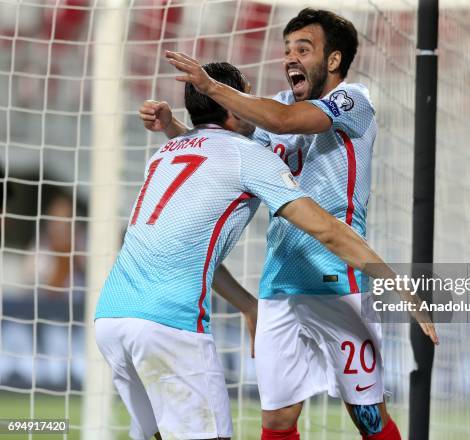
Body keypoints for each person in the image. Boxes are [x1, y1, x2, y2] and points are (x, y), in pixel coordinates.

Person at [140, 9, 438, 440]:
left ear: (333, 60)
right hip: (278, 287)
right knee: (277, 421)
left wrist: (211, 87)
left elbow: (283, 123)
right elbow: (223, 152)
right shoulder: (274, 106)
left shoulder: (353, 101)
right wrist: (175, 128)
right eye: (286, 49)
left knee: (369, 417)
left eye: (303, 48)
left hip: (340, 283)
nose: (290, 58)